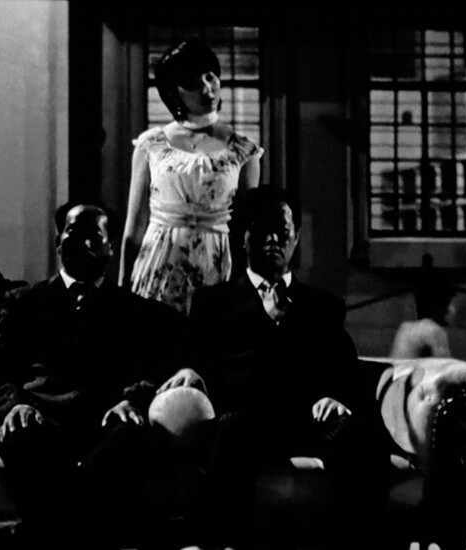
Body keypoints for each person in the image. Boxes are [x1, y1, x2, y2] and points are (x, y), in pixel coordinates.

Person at [163, 186, 391, 549]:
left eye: (282, 231)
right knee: (232, 429)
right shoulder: (214, 302)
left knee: (355, 433)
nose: (273, 239)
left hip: (307, 420)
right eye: (262, 230)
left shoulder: (323, 306)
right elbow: (195, 356)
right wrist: (190, 370)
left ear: (296, 237)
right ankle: (224, 542)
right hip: (246, 421)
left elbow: (347, 369)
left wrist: (337, 397)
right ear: (243, 237)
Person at [0, 202, 185, 549]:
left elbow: (158, 369)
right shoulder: (23, 302)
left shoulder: (135, 311)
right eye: (73, 233)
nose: (82, 243)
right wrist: (14, 405)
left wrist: (132, 399)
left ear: (110, 247)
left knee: (135, 440)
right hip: (40, 420)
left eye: (94, 235)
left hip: (104, 424)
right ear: (58, 243)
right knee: (24, 442)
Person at [120, 38, 264, 314]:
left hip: (215, 264)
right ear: (174, 93)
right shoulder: (152, 145)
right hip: (158, 260)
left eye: (210, 77)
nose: (207, 89)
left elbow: (245, 232)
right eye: (192, 83)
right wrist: (122, 289)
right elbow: (133, 228)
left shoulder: (243, 150)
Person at [390, 255, 456, 359]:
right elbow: (441, 365)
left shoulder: (405, 328)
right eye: (449, 303)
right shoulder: (435, 331)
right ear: (440, 308)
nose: (452, 310)